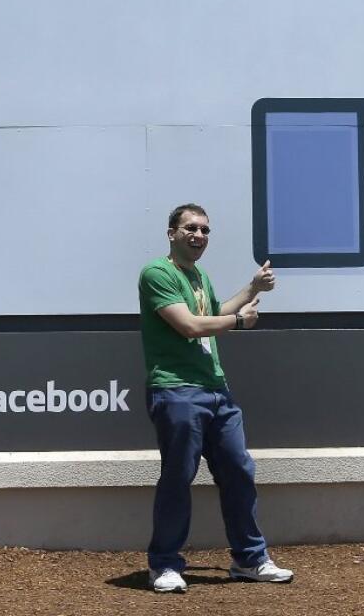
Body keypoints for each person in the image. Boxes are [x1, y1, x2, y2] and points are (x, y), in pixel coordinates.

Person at [139, 203, 293, 592]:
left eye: (206, 230)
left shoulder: (198, 276)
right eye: (191, 228)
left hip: (216, 390)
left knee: (239, 470)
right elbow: (190, 326)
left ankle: (249, 559)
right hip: (176, 390)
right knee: (178, 477)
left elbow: (215, 312)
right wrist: (240, 322)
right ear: (171, 233)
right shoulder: (158, 273)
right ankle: (164, 565)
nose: (199, 236)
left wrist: (251, 289)